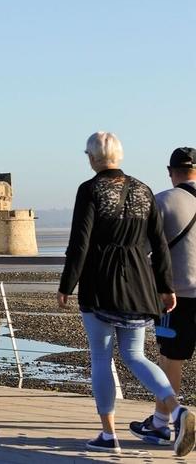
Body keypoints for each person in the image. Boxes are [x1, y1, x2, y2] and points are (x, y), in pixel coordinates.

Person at [60, 132, 193, 453]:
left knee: (102, 358)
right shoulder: (144, 190)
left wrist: (67, 284)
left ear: (91, 158)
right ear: (119, 156)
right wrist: (164, 286)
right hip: (137, 283)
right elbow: (159, 245)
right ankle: (176, 410)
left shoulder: (89, 189)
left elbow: (81, 242)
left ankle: (108, 435)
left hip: (100, 282)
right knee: (136, 355)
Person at [138, 147, 196, 445]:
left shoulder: (162, 200)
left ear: (171, 171)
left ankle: (165, 424)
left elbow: (144, 246)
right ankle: (159, 421)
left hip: (177, 298)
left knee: (171, 359)